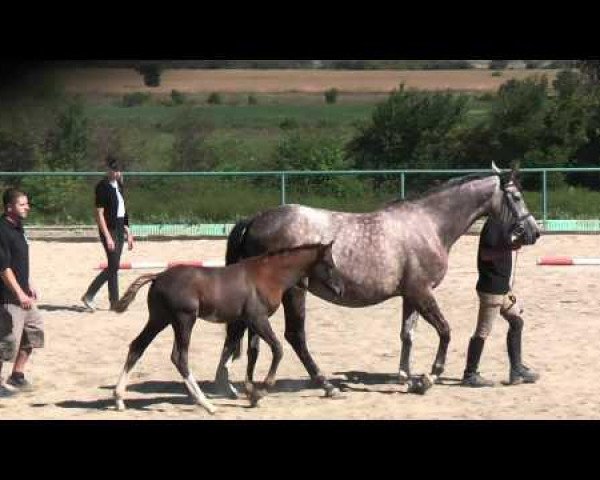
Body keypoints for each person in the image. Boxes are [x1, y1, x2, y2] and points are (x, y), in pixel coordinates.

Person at [461, 216, 540, 387]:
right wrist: (510, 247)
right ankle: (470, 374)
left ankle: (517, 369)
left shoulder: (505, 222)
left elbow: (510, 241)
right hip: (491, 288)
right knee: (482, 332)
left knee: (517, 322)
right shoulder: (494, 224)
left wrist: (520, 240)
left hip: (503, 288)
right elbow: (486, 254)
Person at [0, 188, 44, 396]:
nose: (27, 207)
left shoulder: (19, 227)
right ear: (9, 207)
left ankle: (17, 375)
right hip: (9, 297)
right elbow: (4, 268)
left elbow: (20, 262)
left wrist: (29, 283)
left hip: (24, 293)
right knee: (7, 341)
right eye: (22, 204)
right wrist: (19, 294)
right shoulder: (2, 230)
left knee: (33, 333)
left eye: (27, 203)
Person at [81, 155, 134, 311]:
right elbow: (99, 214)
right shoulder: (102, 186)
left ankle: (98, 297)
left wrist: (128, 231)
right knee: (113, 266)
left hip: (119, 227)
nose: (117, 173)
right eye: (114, 170)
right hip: (109, 228)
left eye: (119, 170)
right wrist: (107, 236)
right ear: (108, 169)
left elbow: (123, 210)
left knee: (114, 266)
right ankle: (107, 300)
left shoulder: (119, 184)